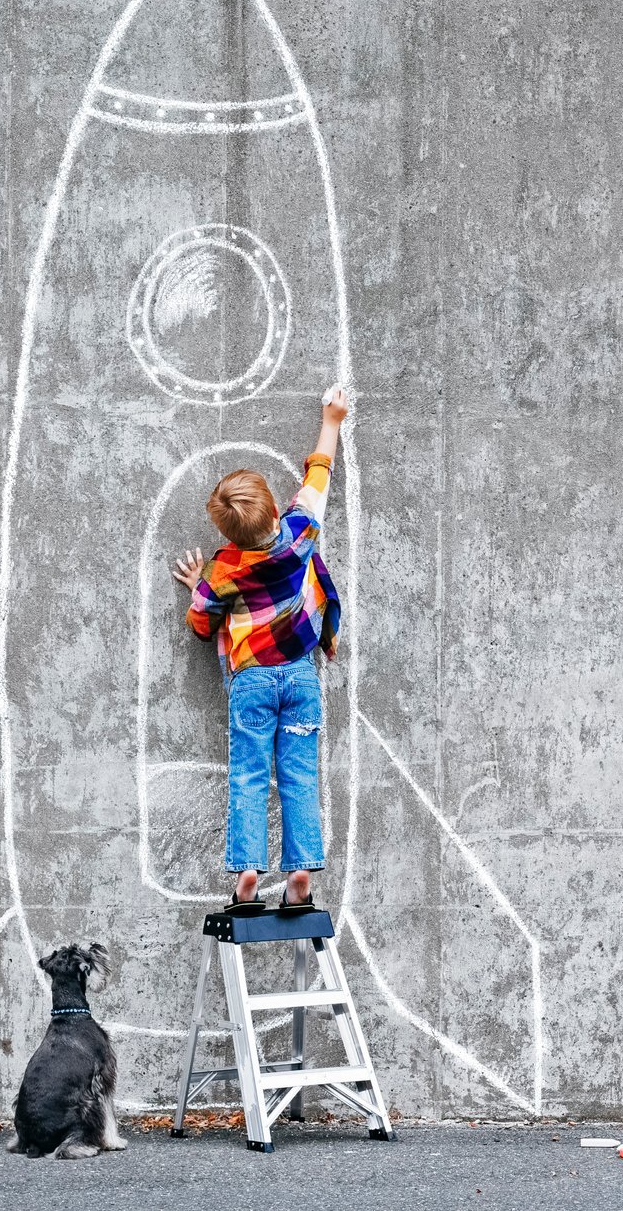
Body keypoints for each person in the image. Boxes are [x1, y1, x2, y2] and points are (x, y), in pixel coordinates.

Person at [170, 386, 349, 915]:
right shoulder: (298, 534)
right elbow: (319, 477)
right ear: (275, 506)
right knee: (299, 776)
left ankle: (248, 873)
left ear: (226, 532)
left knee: (249, 776)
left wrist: (198, 584)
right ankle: (299, 874)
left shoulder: (225, 568)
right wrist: (331, 419)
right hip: (299, 678)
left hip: (250, 682)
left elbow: (202, 622)